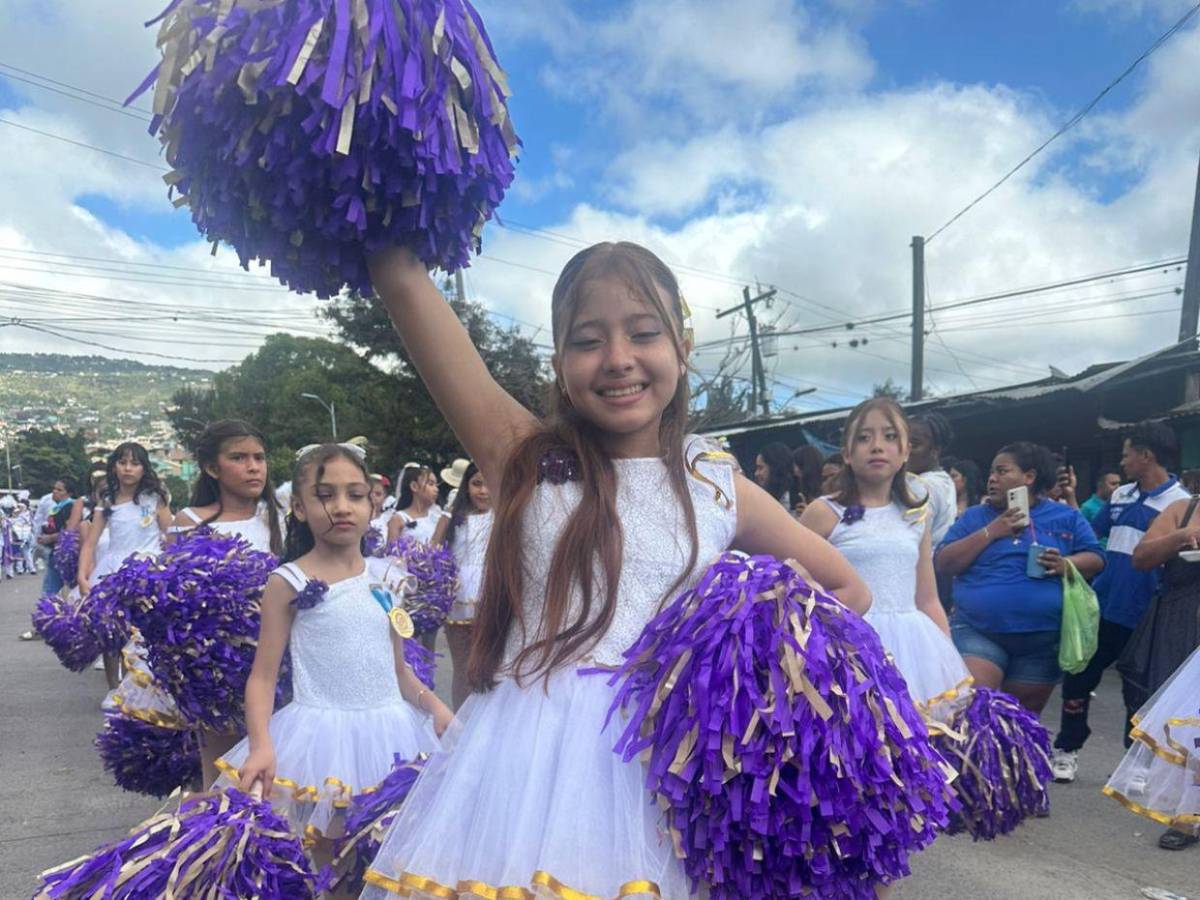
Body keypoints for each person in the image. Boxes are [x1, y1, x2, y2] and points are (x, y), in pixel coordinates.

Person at [360, 240, 869, 897]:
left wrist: (746, 674)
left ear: (682, 349)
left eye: (644, 333)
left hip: (669, 771)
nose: (619, 359)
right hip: (523, 772)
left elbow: (845, 589)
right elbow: (401, 280)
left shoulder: (715, 485)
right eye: (588, 340)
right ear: (559, 364)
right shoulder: (521, 455)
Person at [217, 443, 450, 877]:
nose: (342, 507)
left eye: (355, 494)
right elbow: (263, 677)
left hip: (393, 736)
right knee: (327, 857)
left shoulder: (388, 577)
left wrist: (435, 707)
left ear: (372, 502)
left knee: (386, 857)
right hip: (319, 740)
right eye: (325, 495)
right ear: (300, 508)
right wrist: (262, 744)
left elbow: (398, 671)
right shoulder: (288, 581)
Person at [801, 398, 965, 709]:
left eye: (890, 437)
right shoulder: (824, 512)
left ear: (905, 451)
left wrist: (947, 654)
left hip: (913, 648)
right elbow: (796, 585)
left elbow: (927, 598)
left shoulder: (916, 514)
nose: (877, 446)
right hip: (844, 644)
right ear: (847, 453)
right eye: (864, 437)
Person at [1050, 422, 1191, 783]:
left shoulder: (1181, 504)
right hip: (1104, 606)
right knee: (1078, 676)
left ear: (1147, 455)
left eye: (1128, 453)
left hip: (1147, 612)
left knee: (1139, 690)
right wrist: (1070, 503)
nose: (1122, 460)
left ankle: (1137, 762)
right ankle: (1067, 748)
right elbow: (1090, 532)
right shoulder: (1121, 495)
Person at [936, 442, 1104, 715]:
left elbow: (1097, 558)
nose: (992, 478)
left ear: (1029, 476)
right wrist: (992, 531)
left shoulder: (1066, 517)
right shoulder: (975, 517)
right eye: (991, 472)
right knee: (977, 710)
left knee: (1021, 721)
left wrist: (1065, 564)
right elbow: (944, 563)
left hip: (1040, 641)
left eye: (1002, 471)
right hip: (979, 631)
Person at [167, 419, 285, 784]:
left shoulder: (279, 517)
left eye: (259, 457)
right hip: (218, 669)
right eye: (239, 457)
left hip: (281, 661)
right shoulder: (189, 521)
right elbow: (175, 597)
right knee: (223, 774)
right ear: (211, 468)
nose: (254, 467)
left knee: (278, 768)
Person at [1110, 494, 1200, 850]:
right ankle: (1187, 815)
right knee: (1186, 726)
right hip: (1180, 622)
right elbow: (1141, 558)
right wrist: (1183, 535)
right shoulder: (1184, 509)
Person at [77, 444, 173, 690]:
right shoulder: (107, 499)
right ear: (114, 466)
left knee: (145, 632)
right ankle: (114, 688)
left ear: (144, 468)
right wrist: (82, 575)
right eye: (122, 462)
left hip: (148, 571)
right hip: (112, 571)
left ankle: (145, 687)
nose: (128, 469)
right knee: (112, 633)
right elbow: (90, 542)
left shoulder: (155, 497)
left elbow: (171, 536)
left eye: (135, 463)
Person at [430, 460, 493, 711]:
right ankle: (460, 728)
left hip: (492, 593)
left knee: (490, 666)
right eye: (477, 483)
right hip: (457, 596)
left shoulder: (503, 515)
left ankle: (487, 723)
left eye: (488, 484)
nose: (483, 491)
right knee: (463, 667)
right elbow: (432, 553)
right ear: (466, 486)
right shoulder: (450, 518)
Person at [18, 479, 82, 641]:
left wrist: (50, 538)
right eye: (54, 489)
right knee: (52, 591)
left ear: (69, 493)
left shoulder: (70, 507)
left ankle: (50, 625)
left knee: (56, 591)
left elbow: (71, 531)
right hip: (56, 553)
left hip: (67, 555)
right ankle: (48, 624)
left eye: (59, 490)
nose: (55, 492)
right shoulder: (58, 507)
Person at [907, 413, 958, 547]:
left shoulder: (920, 486)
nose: (905, 450)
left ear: (935, 450)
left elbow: (909, 540)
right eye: (902, 442)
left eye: (914, 445)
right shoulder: (945, 480)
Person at [386, 464, 442, 546]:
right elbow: (390, 553)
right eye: (430, 484)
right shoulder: (399, 519)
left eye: (436, 485)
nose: (436, 489)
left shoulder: (438, 518)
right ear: (414, 486)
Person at [753, 441, 795, 508]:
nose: (756, 473)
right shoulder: (762, 500)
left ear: (774, 468)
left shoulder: (794, 499)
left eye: (760, 468)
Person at [791, 444, 825, 516]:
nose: (794, 471)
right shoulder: (797, 488)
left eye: (796, 465)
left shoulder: (825, 493)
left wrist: (809, 513)